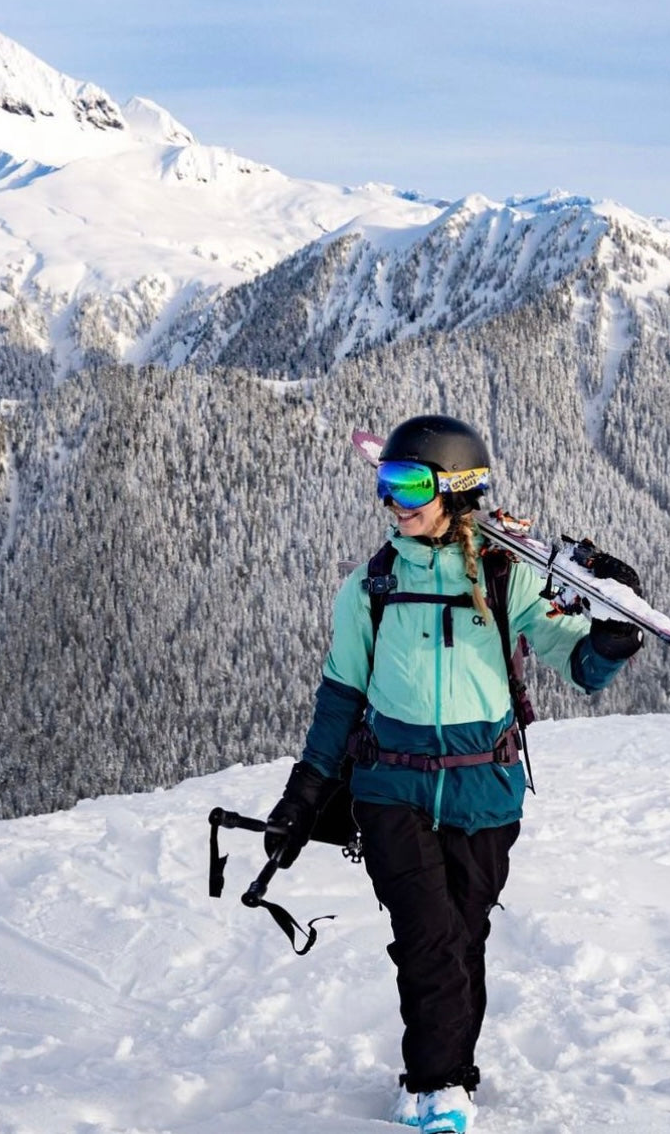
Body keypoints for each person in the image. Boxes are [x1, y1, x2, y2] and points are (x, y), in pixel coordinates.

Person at [265, 415, 642, 1134]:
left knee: (463, 943)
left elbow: (582, 666)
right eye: (386, 483)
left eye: (409, 484)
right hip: (389, 792)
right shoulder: (371, 586)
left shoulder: (507, 579)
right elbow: (340, 696)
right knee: (429, 941)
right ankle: (435, 1089)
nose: (392, 501)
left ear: (457, 489)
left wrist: (614, 637)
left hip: (483, 794)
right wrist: (302, 795)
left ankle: (452, 1076)